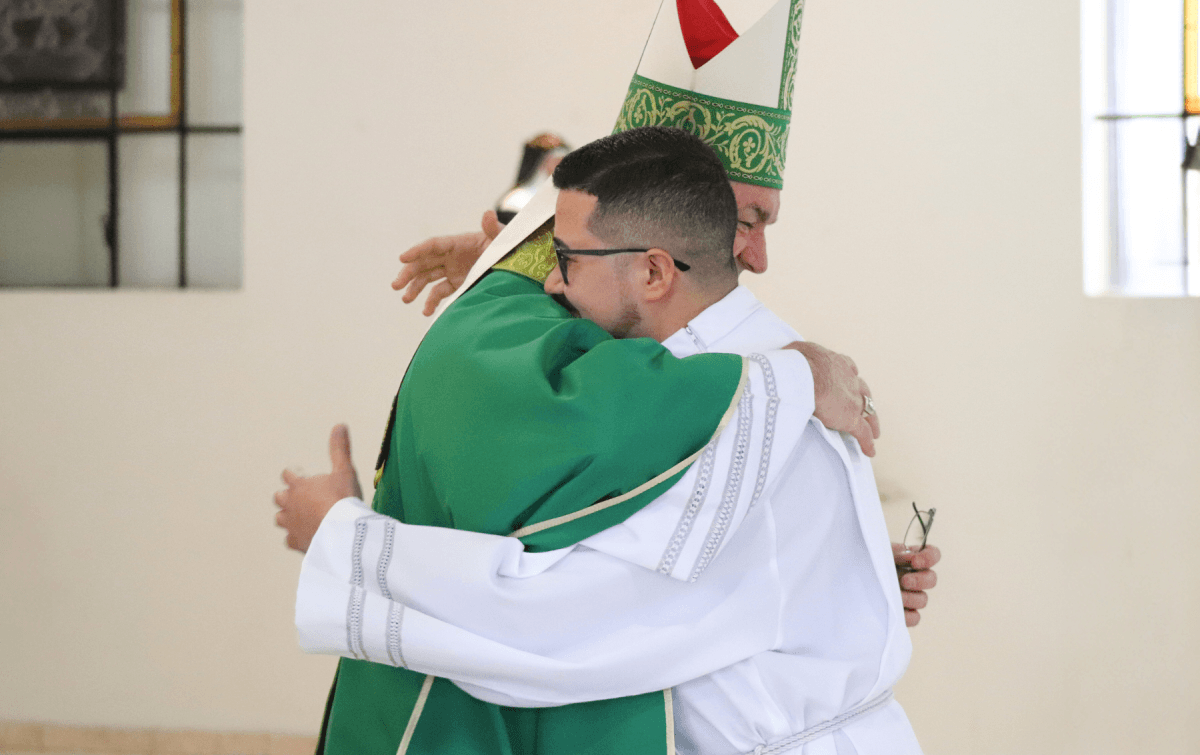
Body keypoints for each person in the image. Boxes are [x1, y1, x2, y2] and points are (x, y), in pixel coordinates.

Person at [288, 127, 923, 754]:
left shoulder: (748, 405)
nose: (553, 286)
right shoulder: (763, 367)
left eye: (564, 258)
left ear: (653, 272)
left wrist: (341, 540)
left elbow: (551, 628)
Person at [388, 0, 939, 620]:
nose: (757, 259)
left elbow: (715, 527)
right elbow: (592, 575)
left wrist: (844, 568)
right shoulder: (547, 336)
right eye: (745, 220)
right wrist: (798, 381)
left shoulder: (707, 333)